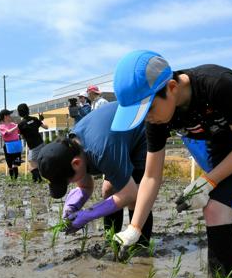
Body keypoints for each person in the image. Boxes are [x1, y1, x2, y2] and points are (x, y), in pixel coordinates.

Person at [111, 51, 232, 278]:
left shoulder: (216, 85)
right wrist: (135, 228)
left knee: (215, 210)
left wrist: (208, 182)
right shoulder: (155, 120)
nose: (148, 119)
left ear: (172, 87)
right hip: (221, 142)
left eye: (149, 109)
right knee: (225, 220)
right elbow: (151, 175)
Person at [36, 102, 153, 244]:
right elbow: (85, 186)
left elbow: (130, 193)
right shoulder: (71, 146)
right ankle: (111, 239)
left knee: (135, 198)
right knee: (108, 190)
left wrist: (88, 214)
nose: (72, 183)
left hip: (141, 132)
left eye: (69, 181)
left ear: (76, 163)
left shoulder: (101, 152)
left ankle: (141, 246)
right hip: (117, 139)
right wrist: (72, 206)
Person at [16, 103, 48, 183]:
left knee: (31, 165)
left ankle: (39, 179)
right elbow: (46, 127)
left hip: (33, 146)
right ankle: (35, 179)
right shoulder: (34, 119)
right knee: (35, 162)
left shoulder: (21, 124)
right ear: (28, 110)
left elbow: (21, 136)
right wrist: (41, 119)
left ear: (19, 113)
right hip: (41, 142)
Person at [0, 109, 22, 180]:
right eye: (9, 115)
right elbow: (7, 132)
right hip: (8, 145)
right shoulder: (1, 126)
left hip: (16, 143)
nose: (10, 116)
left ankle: (16, 179)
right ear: (5, 116)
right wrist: (16, 127)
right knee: (10, 163)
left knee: (16, 163)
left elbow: (20, 131)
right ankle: (12, 178)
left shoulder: (13, 124)